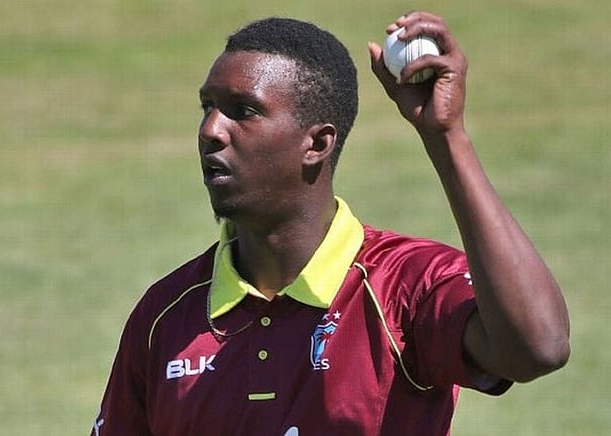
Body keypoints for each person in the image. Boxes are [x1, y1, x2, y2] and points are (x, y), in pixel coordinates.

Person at [91, 10, 570, 436]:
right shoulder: (165, 316)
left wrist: (446, 137)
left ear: (317, 144)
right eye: (207, 107)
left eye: (243, 111)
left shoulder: (407, 287)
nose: (211, 130)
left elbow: (539, 348)